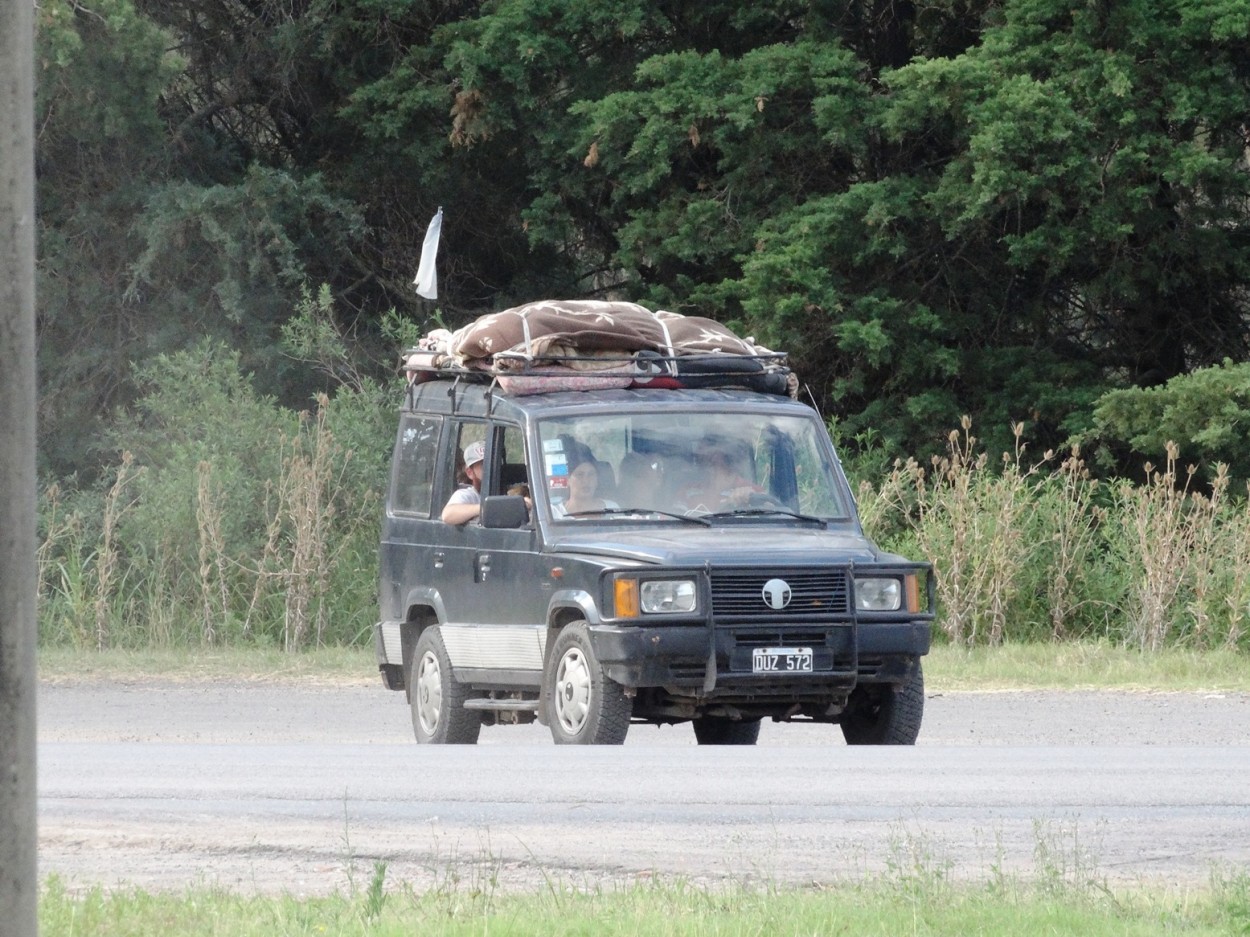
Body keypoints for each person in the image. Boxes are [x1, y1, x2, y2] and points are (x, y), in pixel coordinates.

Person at [676, 438, 761, 512]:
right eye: (699, 454)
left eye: (704, 452)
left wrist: (749, 500)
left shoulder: (752, 491)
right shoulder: (688, 491)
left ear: (718, 454)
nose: (698, 458)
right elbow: (672, 523)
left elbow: (770, 513)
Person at [551, 457, 619, 517]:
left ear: (597, 480)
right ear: (568, 480)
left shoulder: (612, 509)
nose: (586, 481)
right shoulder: (554, 513)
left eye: (591, 474)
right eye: (580, 475)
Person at [442, 440, 485, 525]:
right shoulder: (468, 495)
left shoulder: (509, 490)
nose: (491, 469)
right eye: (484, 465)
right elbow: (447, 515)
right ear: (470, 472)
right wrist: (484, 509)